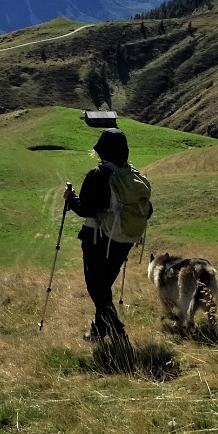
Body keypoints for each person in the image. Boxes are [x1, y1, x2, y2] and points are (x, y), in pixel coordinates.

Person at [65, 126, 136, 344]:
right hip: (123, 239)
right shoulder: (131, 176)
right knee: (104, 288)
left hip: (98, 239)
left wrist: (71, 198)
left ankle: (119, 334)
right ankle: (98, 332)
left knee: (97, 289)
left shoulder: (98, 176)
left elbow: (86, 209)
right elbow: (147, 209)